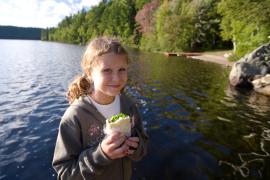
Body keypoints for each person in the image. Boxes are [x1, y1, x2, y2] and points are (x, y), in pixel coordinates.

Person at [52, 37, 148, 180]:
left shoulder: (129, 105)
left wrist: (135, 147)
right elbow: (65, 173)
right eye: (107, 70)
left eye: (122, 69)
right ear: (90, 73)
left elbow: (143, 148)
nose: (116, 78)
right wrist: (101, 154)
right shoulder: (75, 116)